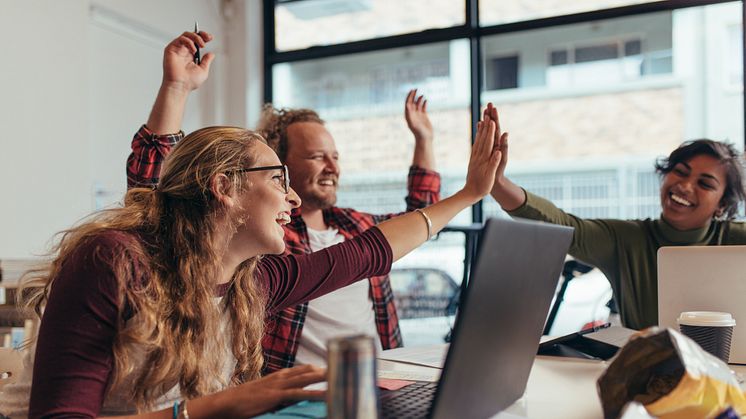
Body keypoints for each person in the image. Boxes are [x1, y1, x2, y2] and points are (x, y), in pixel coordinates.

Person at [0, 108, 502, 417]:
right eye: (278, 179)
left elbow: (370, 250)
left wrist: (470, 194)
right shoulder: (112, 261)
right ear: (224, 187)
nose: (290, 198)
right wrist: (213, 409)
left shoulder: (252, 279)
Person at [126, 31, 441, 372]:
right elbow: (159, 191)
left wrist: (424, 140)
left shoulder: (356, 225)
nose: (333, 167)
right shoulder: (261, 237)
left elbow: (420, 220)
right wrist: (176, 89)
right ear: (280, 164)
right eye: (317, 157)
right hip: (293, 396)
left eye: (335, 156)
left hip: (374, 384)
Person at [485, 103, 746, 330]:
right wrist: (497, 183)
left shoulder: (736, 240)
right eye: (680, 171)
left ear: (722, 204)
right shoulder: (626, 239)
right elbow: (562, 224)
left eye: (705, 183)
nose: (686, 186)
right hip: (648, 376)